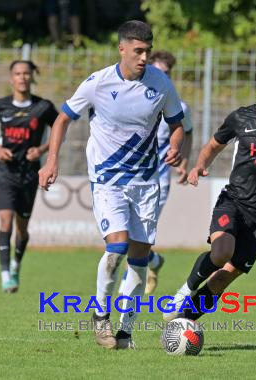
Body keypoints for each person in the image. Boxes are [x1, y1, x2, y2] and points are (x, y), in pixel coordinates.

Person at [38, 21, 185, 349]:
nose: (144, 57)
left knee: (140, 257)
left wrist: (176, 145)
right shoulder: (98, 84)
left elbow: (178, 124)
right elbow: (62, 119)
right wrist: (51, 161)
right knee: (116, 246)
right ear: (122, 49)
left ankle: (125, 332)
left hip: (146, 182)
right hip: (108, 181)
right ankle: (100, 314)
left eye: (147, 50)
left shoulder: (161, 83)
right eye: (138, 51)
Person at [163, 55, 256, 321]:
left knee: (225, 277)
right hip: (234, 201)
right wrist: (199, 165)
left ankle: (182, 323)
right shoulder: (242, 117)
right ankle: (185, 290)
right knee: (222, 251)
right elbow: (212, 146)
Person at [117, 51, 194, 296]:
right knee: (122, 233)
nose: (161, 76)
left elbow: (187, 132)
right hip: (127, 175)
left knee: (135, 233)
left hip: (157, 178)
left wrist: (183, 160)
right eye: (157, 70)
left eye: (166, 73)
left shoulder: (178, 106)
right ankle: (154, 261)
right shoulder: (133, 99)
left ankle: (125, 287)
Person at [0, 60, 59, 293]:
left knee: (22, 228)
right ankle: (6, 275)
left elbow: (59, 128)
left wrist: (42, 149)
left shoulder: (43, 106)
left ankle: (16, 265)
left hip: (29, 174)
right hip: (5, 171)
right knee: (5, 219)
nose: (22, 77)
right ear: (11, 78)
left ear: (31, 77)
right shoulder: (0, 106)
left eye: (26, 74)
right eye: (17, 74)